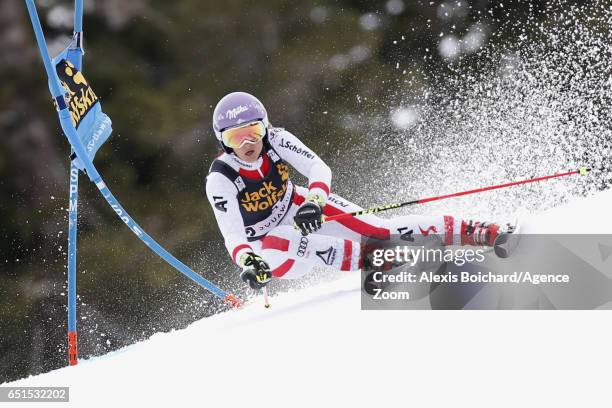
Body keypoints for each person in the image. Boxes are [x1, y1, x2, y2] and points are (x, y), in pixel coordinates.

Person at [205, 92, 512, 290]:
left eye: (255, 132)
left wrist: (315, 201)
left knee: (379, 230)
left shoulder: (277, 139)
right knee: (277, 238)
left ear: (266, 128)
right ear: (223, 141)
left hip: (298, 208)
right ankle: (378, 260)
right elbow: (234, 236)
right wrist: (249, 262)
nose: (249, 144)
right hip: (270, 248)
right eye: (236, 138)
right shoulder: (221, 178)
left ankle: (472, 230)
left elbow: (318, 169)